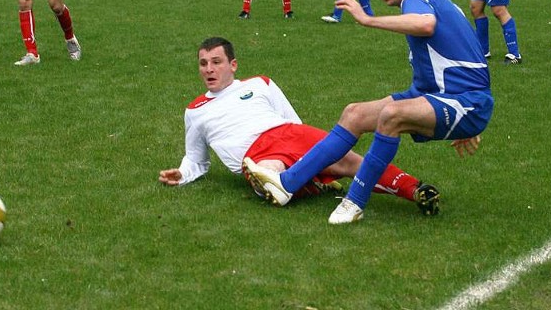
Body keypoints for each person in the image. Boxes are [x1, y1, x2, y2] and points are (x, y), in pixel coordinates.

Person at [244, 0, 493, 225]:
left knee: (391, 115)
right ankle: (286, 184)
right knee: (354, 114)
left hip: (463, 101)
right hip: (442, 97)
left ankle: (354, 203)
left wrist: (367, 19)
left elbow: (426, 25)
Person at [159, 36, 440, 216]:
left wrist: (315, 156)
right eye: (203, 63)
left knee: (349, 161)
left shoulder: (260, 83)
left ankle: (416, 189)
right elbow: (196, 159)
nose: (209, 69)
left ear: (233, 65)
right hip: (256, 154)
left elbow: (291, 118)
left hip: (290, 133)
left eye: (216, 62)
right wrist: (182, 174)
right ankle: (293, 182)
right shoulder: (195, 111)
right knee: (267, 172)